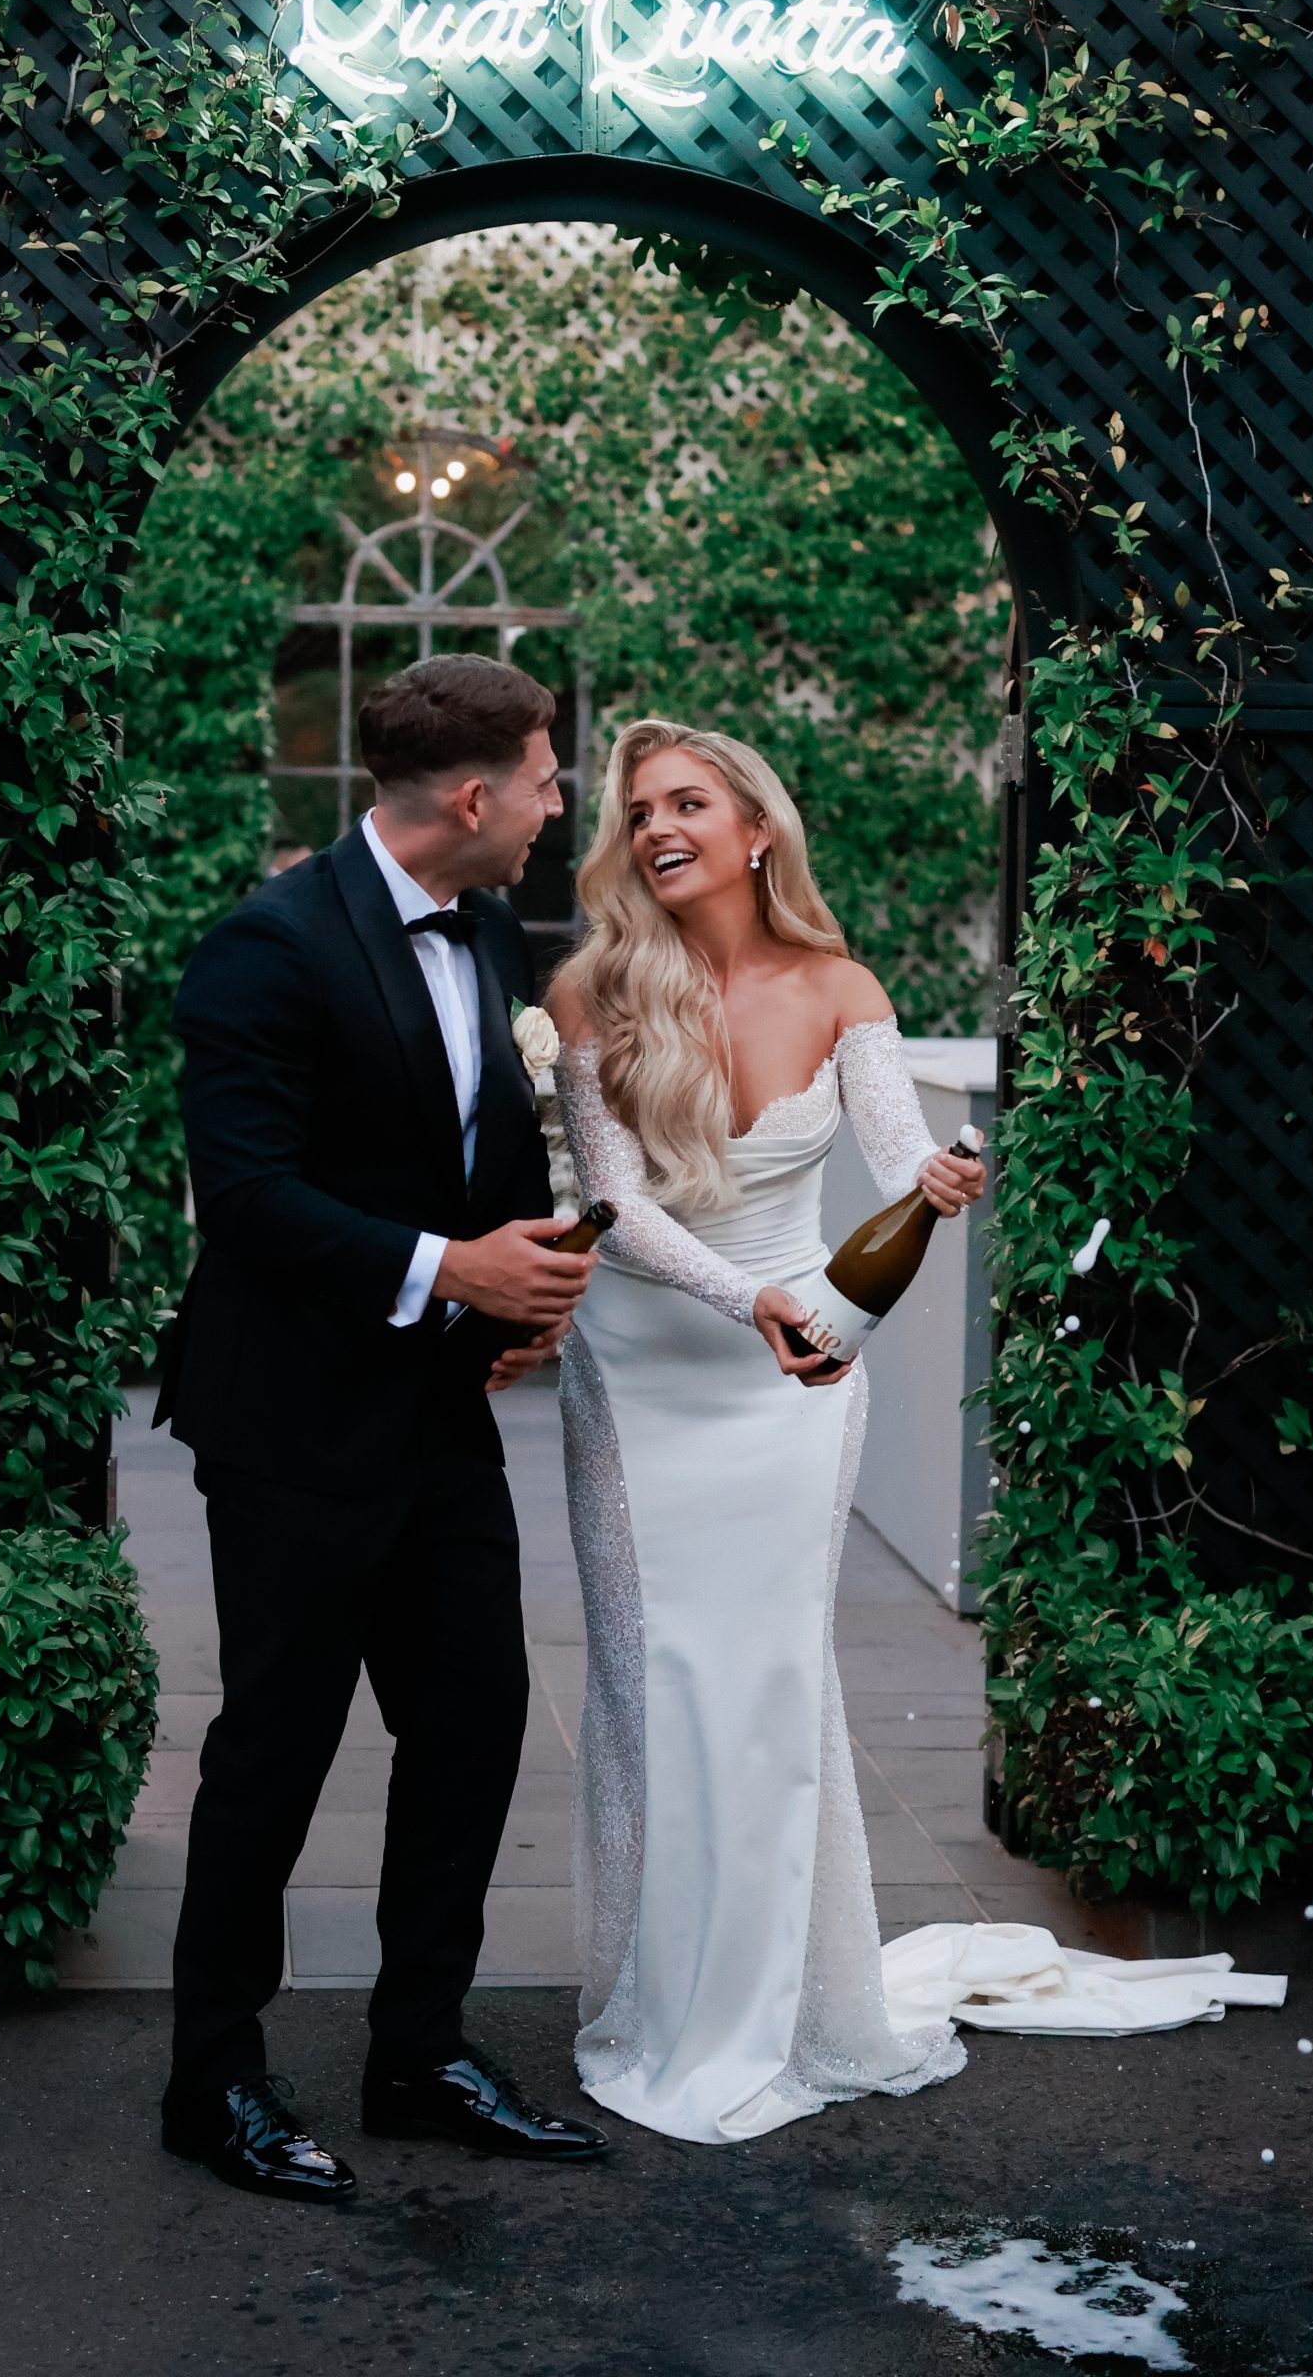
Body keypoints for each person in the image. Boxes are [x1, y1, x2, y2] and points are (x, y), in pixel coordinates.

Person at [153, 654, 610, 2201]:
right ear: (476, 797)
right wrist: (442, 1268)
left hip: (435, 1415)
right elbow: (255, 1198)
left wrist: (513, 1289)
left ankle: (420, 2052)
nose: (562, 806)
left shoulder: (484, 926)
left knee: (475, 1729)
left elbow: (456, 1139)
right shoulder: (262, 949)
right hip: (290, 1423)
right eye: (549, 780)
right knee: (273, 1756)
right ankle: (211, 2081)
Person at [547, 719, 988, 2145]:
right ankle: (654, 1997)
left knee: (770, 1683)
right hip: (654, 1367)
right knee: (649, 1685)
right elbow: (618, 1213)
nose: (659, 825)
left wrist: (932, 1176)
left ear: (755, 831)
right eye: (639, 810)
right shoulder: (591, 991)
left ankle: (796, 2005)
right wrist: (757, 1303)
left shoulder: (841, 983)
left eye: (689, 801)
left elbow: (885, 1146)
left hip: (799, 1382)